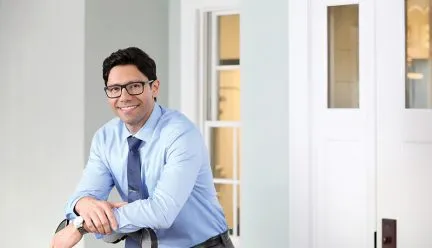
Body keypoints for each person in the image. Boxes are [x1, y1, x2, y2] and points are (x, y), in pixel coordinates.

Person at [50, 47, 234, 248]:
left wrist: (81, 225)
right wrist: (82, 205)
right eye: (114, 89)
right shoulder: (105, 138)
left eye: (134, 86)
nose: (124, 96)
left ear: (154, 87)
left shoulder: (180, 134)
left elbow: (161, 211)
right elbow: (84, 196)